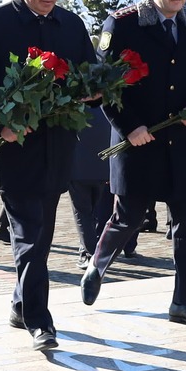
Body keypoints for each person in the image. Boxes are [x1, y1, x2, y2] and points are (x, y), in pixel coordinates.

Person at [0, 0, 96, 351]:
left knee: (41, 234)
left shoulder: (71, 25)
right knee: (29, 233)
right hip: (11, 150)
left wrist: (94, 91)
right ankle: (40, 319)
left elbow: (88, 77)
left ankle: (21, 306)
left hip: (56, 149)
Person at [80, 0, 186, 328]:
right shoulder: (123, 24)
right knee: (129, 217)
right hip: (137, 142)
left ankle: (184, 302)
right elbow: (105, 84)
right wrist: (129, 126)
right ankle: (97, 264)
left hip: (180, 142)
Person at [66, 114, 112, 266]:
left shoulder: (73, 110)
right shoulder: (105, 108)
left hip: (78, 168)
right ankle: (88, 250)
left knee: (83, 213)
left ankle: (90, 253)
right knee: (93, 212)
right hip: (101, 167)